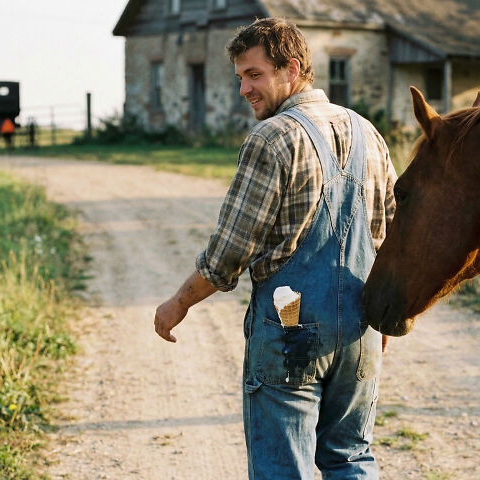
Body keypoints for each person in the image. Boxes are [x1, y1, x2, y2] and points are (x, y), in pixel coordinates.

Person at [153, 17, 397, 480]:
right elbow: (388, 238)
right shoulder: (370, 134)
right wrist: (385, 318)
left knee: (284, 468)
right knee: (350, 458)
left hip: (292, 331)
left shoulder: (272, 138)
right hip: (362, 328)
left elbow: (230, 251)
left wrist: (178, 302)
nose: (244, 88)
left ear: (293, 69)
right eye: (240, 76)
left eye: (254, 74)